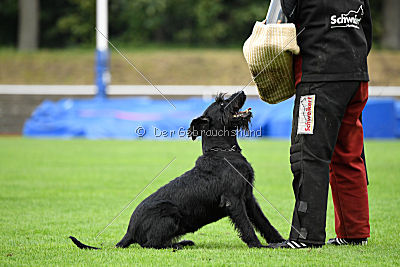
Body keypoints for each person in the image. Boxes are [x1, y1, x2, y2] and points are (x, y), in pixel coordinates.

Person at [268, 0, 372, 248]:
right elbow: (367, 32)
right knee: (348, 154)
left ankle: (306, 236)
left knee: (309, 156)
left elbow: (276, 27)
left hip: (319, 78)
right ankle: (354, 232)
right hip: (356, 77)